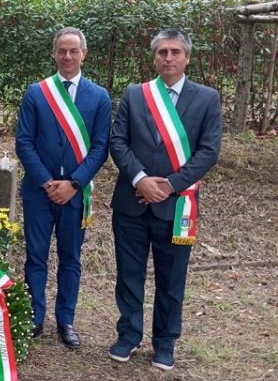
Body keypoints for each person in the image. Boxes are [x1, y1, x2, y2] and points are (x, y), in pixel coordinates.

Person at [108, 29, 222, 371]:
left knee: (172, 278)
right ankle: (128, 335)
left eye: (174, 52)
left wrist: (170, 185)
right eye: (162, 52)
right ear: (154, 57)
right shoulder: (135, 94)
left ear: (187, 57)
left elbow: (209, 151)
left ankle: (165, 341)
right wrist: (141, 180)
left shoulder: (207, 98)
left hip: (176, 204)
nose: (168, 58)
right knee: (129, 274)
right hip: (131, 201)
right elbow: (118, 142)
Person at [15, 27, 111, 349]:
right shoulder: (36, 93)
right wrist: (46, 182)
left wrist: (73, 184)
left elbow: (100, 148)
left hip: (75, 194)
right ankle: (34, 316)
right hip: (38, 192)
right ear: (54, 54)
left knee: (70, 258)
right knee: (36, 256)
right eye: (61, 51)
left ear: (84, 54)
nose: (67, 56)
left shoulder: (99, 97)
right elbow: (24, 143)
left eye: (73, 51)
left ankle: (65, 319)